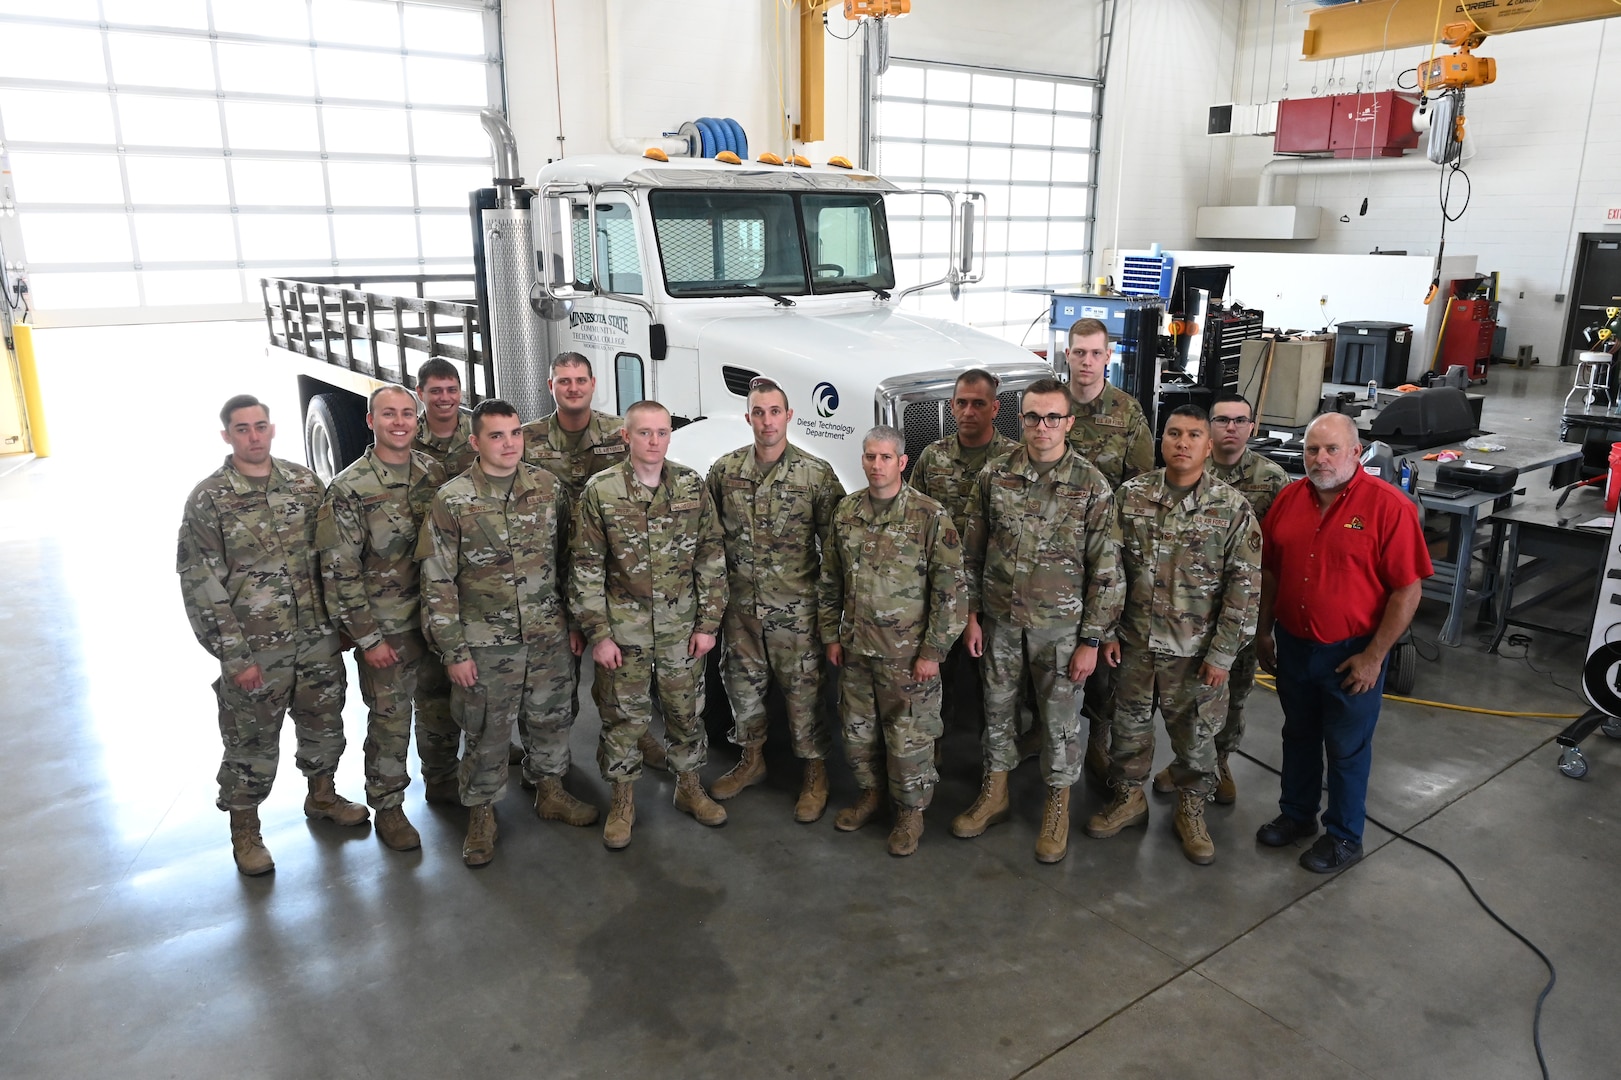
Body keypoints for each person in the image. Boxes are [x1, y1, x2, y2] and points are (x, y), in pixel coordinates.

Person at [177, 394, 368, 876]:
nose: (254, 436)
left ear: (272, 428)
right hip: (256, 647)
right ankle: (246, 831)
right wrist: (233, 657)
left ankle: (322, 797)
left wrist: (343, 624)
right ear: (227, 436)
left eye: (260, 426)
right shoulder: (210, 498)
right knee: (251, 741)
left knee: (324, 721)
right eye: (242, 429)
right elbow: (202, 585)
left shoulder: (304, 484)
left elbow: (333, 559)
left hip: (316, 637)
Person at [417, 398, 594, 867]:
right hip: (484, 642)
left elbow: (569, 562)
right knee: (487, 731)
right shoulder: (452, 500)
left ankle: (551, 790)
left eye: (515, 433)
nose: (509, 443)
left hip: (547, 634)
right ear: (475, 442)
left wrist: (574, 623)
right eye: (497, 435)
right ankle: (481, 814)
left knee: (552, 717)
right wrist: (453, 651)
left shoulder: (547, 488)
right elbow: (437, 580)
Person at [1254, 411, 1431, 873]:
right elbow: (1270, 571)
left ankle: (1344, 836)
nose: (1321, 458)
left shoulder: (1388, 507)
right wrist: (1262, 629)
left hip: (1351, 654)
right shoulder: (1289, 501)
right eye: (1312, 449)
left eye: (1332, 449)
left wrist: (1375, 657)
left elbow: (1408, 588)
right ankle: (1297, 815)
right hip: (1294, 645)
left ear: (1356, 452)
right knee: (1299, 735)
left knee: (1346, 749)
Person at [954, 379, 1122, 864]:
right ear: (1020, 420)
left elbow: (1107, 570)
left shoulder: (1091, 485)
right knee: (998, 710)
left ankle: (1057, 805)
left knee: (1060, 723)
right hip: (1002, 622)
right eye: (1032, 417)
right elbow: (972, 552)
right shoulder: (995, 476)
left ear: (1069, 422)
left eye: (1052, 417)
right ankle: (996, 791)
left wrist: (1092, 638)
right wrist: (971, 616)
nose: (1042, 427)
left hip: (1062, 631)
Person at [1085, 405, 1260, 866]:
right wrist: (1106, 632)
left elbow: (1244, 588)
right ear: (1161, 441)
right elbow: (1108, 570)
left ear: (1208, 445)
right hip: (1136, 643)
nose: (1182, 442)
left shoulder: (1231, 508)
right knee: (1128, 729)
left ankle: (1191, 808)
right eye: (1174, 433)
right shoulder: (1131, 496)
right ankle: (1128, 798)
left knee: (1197, 736)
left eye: (1193, 435)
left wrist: (1223, 655)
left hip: (1195, 651)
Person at [570, 400, 729, 850]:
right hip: (625, 628)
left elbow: (711, 555)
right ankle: (622, 799)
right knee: (624, 717)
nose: (654, 441)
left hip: (681, 627)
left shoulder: (690, 485)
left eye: (662, 432)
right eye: (644, 433)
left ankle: (689, 786)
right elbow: (585, 568)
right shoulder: (601, 492)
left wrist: (708, 624)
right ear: (626, 437)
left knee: (686, 711)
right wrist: (599, 634)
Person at [315, 386, 452, 851]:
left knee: (439, 708)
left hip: (434, 621)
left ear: (417, 421)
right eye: (388, 414)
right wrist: (368, 638)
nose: (400, 422)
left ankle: (443, 780)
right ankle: (389, 807)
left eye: (407, 414)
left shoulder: (432, 474)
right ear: (371, 422)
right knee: (391, 721)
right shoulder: (349, 488)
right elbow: (339, 572)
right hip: (387, 630)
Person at [818, 426, 965, 856]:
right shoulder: (847, 512)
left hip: (908, 655)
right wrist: (831, 634)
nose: (876, 465)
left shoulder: (928, 516)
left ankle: (910, 812)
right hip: (857, 648)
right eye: (869, 457)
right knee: (858, 731)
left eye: (885, 458)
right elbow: (830, 578)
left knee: (909, 738)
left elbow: (951, 590)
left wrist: (934, 653)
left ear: (902, 462)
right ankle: (871, 794)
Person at [705, 378, 846, 821]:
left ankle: (814, 772)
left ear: (789, 416)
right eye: (759, 412)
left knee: (804, 698)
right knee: (741, 691)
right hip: (741, 612)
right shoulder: (724, 471)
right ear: (748, 417)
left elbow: (837, 548)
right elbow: (707, 540)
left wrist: (831, 614)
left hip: (796, 613)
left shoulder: (815, 474)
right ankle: (752, 759)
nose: (767, 420)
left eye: (775, 411)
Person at [520, 353, 658, 770]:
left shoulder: (619, 433)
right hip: (546, 573)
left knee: (622, 670)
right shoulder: (527, 439)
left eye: (580, 380)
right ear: (551, 386)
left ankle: (632, 737)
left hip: (606, 572)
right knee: (552, 681)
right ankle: (546, 764)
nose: (573, 387)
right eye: (564, 381)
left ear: (593, 383)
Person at [1152, 392, 1288, 805]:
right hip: (1184, 615)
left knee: (1232, 697)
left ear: (1252, 427)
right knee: (1183, 704)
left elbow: (1273, 559)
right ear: (1209, 429)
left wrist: (1261, 626)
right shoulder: (1187, 465)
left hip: (1238, 614)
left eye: (1239, 420)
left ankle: (1219, 760)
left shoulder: (1272, 479)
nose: (1231, 427)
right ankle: (1186, 764)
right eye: (1222, 420)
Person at [1064, 317, 1156, 784]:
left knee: (1102, 653)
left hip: (1106, 552)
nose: (1086, 361)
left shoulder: (1127, 412)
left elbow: (1140, 488)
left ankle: (1098, 738)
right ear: (1067, 354)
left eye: (1095, 353)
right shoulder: (1049, 405)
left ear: (1107, 357)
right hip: (1052, 554)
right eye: (1079, 352)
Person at [909, 368, 1016, 750]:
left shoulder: (1013, 460)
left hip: (994, 591)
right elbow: (913, 519)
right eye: (962, 403)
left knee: (996, 683)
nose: (969, 411)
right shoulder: (932, 457)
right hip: (941, 590)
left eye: (979, 404)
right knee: (940, 675)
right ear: (952, 406)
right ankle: (934, 750)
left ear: (995, 408)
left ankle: (994, 760)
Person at [412, 357, 478, 477]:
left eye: (452, 390)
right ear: (420, 393)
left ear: (460, 392)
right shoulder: (407, 438)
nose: (445, 398)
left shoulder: (481, 430)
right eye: (436, 391)